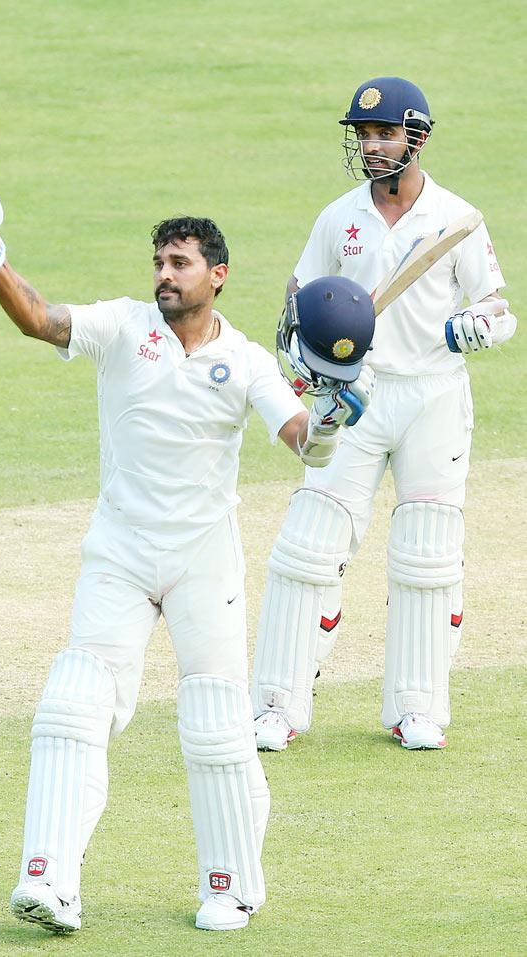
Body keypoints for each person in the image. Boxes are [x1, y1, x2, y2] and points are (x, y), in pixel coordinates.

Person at [0, 188, 375, 933]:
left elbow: (299, 434)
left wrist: (330, 423)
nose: (165, 274)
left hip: (205, 563)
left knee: (216, 723)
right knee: (73, 704)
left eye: (181, 262)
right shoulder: (121, 325)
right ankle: (50, 881)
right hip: (120, 553)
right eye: (159, 262)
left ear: (219, 275)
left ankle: (232, 886)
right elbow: (43, 320)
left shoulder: (242, 361)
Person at [252, 75, 517, 753]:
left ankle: (416, 709)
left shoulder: (456, 218)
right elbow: (299, 302)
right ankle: (278, 704)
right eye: (364, 135)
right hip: (356, 395)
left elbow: (497, 307)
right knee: (309, 543)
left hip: (433, 394)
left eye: (385, 133)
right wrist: (306, 361)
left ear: (417, 137)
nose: (372, 146)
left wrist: (476, 328)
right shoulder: (338, 217)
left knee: (427, 553)